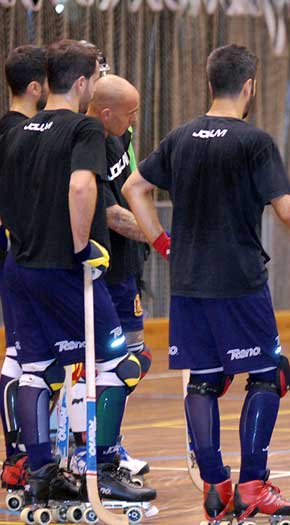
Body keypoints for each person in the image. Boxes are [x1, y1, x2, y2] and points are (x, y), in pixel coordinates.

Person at [123, 43, 290, 525]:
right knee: (270, 375)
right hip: (239, 282)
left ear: (210, 82)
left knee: (204, 384)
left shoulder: (181, 136)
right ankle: (252, 486)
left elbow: (133, 188)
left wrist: (163, 241)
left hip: (188, 283)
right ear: (249, 86)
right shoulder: (253, 141)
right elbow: (288, 208)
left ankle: (215, 489)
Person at [0, 39, 156, 509]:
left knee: (35, 371)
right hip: (63, 269)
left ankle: (41, 473)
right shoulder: (83, 130)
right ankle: (102, 466)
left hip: (18, 267)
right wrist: (79, 244)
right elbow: (82, 184)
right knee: (119, 364)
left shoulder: (17, 132)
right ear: (84, 81)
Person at [69, 74, 153, 482]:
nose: (135, 118)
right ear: (105, 112)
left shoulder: (122, 136)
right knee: (112, 367)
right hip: (105, 271)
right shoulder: (88, 144)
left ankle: (101, 436)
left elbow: (131, 190)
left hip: (129, 270)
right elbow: (109, 214)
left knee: (135, 360)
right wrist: (164, 237)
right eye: (130, 112)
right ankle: (91, 447)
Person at [0, 44, 49, 491]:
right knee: (19, 356)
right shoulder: (21, 133)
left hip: (16, 252)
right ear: (36, 87)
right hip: (18, 252)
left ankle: (24, 453)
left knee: (24, 355)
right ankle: (17, 455)